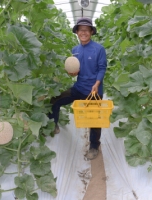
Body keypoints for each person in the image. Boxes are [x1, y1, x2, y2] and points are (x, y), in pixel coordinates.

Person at [48, 17, 107, 160]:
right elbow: (76, 69)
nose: (83, 33)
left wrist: (97, 83)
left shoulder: (99, 49)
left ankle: (94, 146)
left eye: (86, 30)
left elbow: (102, 68)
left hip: (94, 91)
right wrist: (72, 72)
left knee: (94, 120)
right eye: (81, 30)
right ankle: (53, 124)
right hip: (79, 88)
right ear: (77, 32)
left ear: (91, 32)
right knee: (55, 100)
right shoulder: (75, 50)